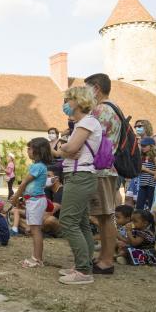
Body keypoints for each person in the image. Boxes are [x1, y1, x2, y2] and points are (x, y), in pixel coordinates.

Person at [55, 86, 102, 285]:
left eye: (68, 99)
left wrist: (62, 149)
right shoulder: (83, 123)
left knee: (68, 221)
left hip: (80, 175)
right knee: (81, 223)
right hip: (79, 174)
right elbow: (65, 149)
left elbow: (69, 148)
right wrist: (64, 149)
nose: (65, 104)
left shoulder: (87, 122)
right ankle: (83, 265)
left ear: (77, 101)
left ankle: (83, 270)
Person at [85, 73, 122, 275]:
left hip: (101, 169)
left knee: (106, 216)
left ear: (96, 88)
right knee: (104, 216)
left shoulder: (101, 109)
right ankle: (104, 257)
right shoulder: (115, 108)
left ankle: (106, 260)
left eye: (87, 89)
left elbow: (90, 138)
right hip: (109, 168)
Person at [11, 137, 53, 268]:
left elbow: (24, 183)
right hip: (33, 201)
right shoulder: (38, 166)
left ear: (38, 151)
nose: (28, 151)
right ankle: (36, 257)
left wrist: (16, 196)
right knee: (35, 230)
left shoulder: (37, 167)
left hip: (36, 202)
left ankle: (37, 259)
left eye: (30, 148)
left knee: (36, 231)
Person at [135, 137, 156, 210]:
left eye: (145, 146)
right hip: (143, 183)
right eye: (142, 146)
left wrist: (145, 169)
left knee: (151, 205)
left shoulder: (155, 157)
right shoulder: (142, 157)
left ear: (151, 146)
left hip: (152, 184)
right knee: (139, 205)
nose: (142, 147)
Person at [41, 166, 64, 236]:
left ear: (56, 179)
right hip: (48, 220)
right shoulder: (49, 191)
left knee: (49, 220)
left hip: (62, 225)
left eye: (48, 176)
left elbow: (49, 212)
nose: (45, 178)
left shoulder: (62, 191)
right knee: (15, 213)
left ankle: (31, 228)